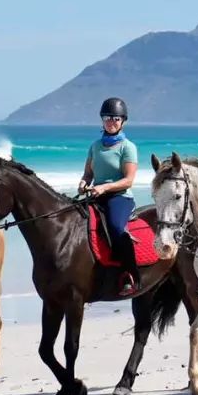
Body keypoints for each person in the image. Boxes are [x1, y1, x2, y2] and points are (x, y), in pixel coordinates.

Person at [78, 97, 140, 297]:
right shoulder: (95, 146)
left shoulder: (127, 147)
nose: (111, 121)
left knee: (115, 228)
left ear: (123, 121)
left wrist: (106, 188)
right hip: (97, 194)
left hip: (119, 197)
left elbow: (128, 180)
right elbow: (89, 174)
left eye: (115, 118)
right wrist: (83, 183)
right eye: (107, 117)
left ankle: (130, 275)